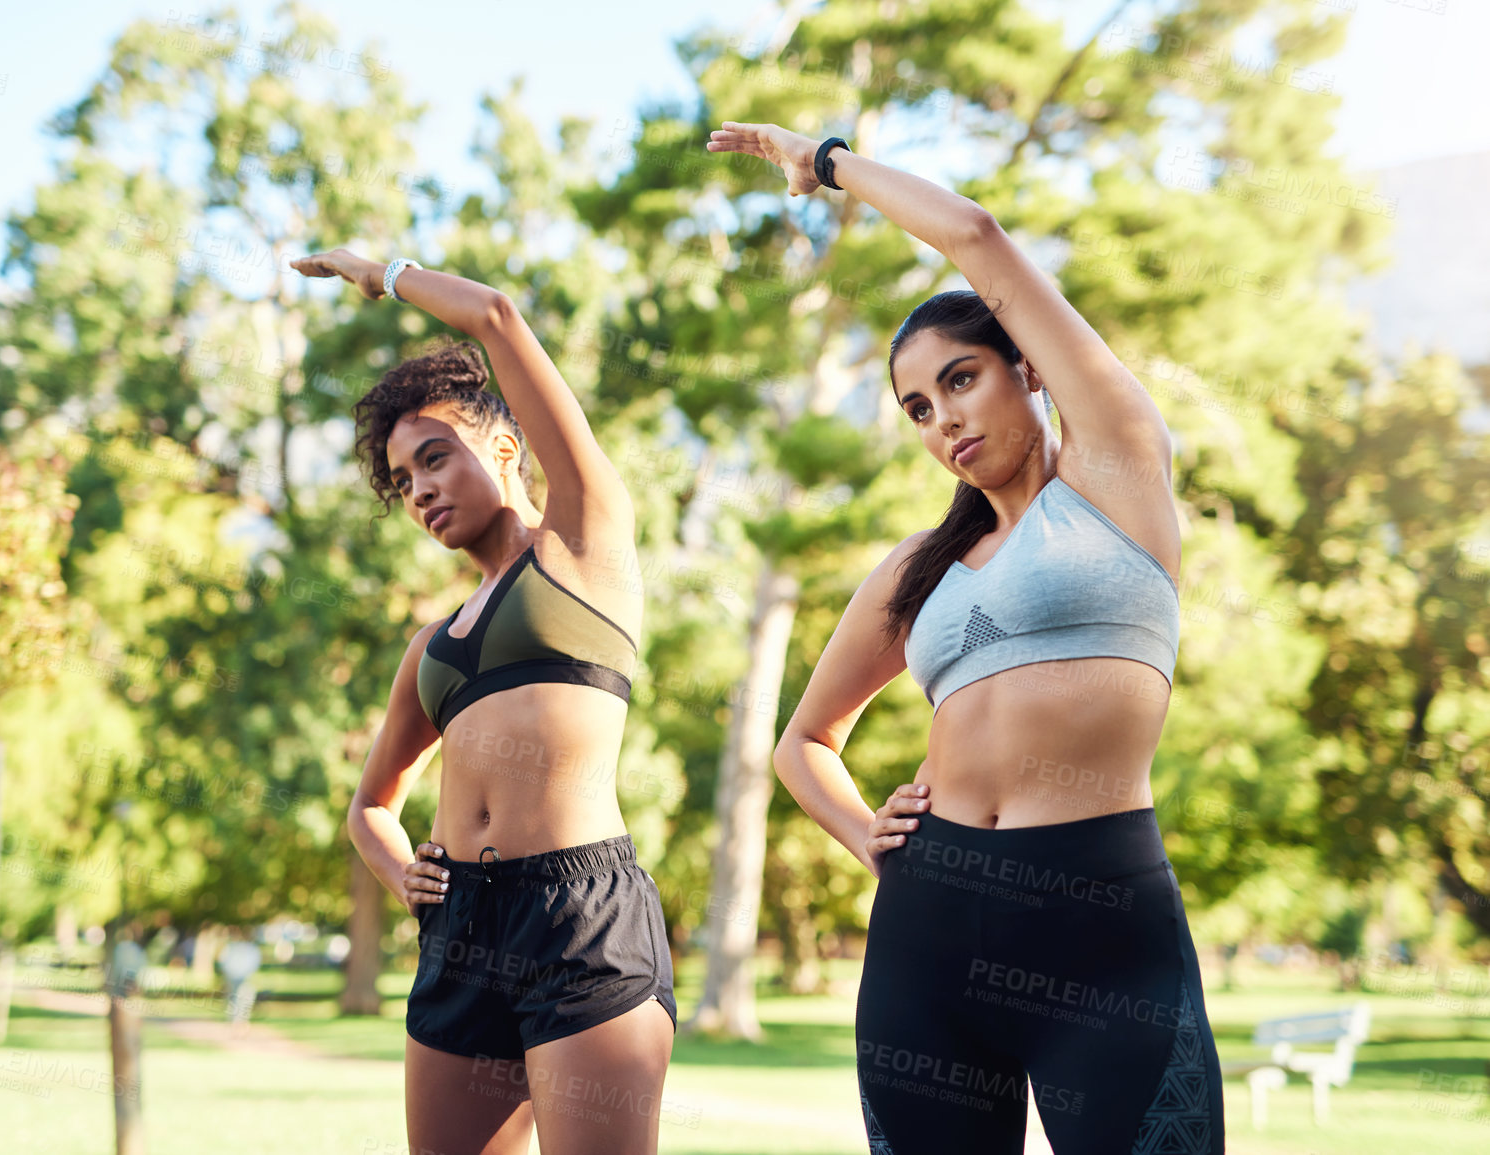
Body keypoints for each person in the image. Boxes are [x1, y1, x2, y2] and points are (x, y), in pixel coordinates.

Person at [709, 122, 1225, 1153]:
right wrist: (871, 839)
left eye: (960, 379)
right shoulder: (918, 570)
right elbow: (802, 744)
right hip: (929, 922)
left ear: (1025, 368)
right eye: (914, 407)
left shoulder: (1116, 476)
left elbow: (978, 238)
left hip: (1098, 915)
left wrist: (826, 164)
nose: (941, 418)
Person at [292, 248, 677, 1155]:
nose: (420, 488)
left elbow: (498, 317)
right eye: (403, 479)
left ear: (505, 448)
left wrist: (382, 274)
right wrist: (405, 877)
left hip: (579, 917)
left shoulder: (583, 545)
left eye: (435, 457)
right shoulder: (429, 647)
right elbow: (371, 805)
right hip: (461, 926)